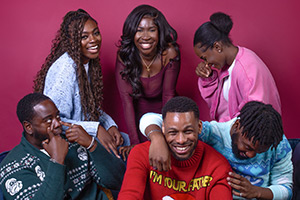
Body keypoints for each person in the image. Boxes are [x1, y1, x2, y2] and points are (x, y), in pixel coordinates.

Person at [140, 100, 293, 199]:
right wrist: (157, 138)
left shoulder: (277, 145)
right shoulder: (214, 133)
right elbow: (150, 118)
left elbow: (286, 188)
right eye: (247, 147)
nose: (251, 154)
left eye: (259, 151)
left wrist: (256, 192)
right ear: (237, 126)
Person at [33, 9, 128, 157]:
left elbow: (89, 108)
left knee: (123, 140)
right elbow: (56, 123)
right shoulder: (66, 70)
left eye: (95, 33)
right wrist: (96, 129)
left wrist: (110, 125)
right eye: (84, 36)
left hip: (81, 135)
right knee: (116, 154)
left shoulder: (86, 63)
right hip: (64, 142)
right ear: (71, 41)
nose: (93, 40)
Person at [0, 93, 126, 200]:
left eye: (57, 116)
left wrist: (92, 144)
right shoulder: (12, 167)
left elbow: (119, 181)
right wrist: (57, 161)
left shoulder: (75, 143)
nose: (57, 124)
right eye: (48, 120)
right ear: (28, 127)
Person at [118, 96, 232, 200]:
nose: (181, 140)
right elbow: (129, 196)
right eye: (173, 132)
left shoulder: (218, 166)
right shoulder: (141, 154)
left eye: (188, 131)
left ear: (199, 127)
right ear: (163, 128)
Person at [193, 12, 281, 122]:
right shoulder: (228, 67)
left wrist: (219, 129)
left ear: (217, 47)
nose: (207, 64)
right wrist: (209, 78)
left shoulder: (247, 68)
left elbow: (254, 117)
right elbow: (220, 107)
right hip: (234, 134)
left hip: (256, 136)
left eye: (205, 58)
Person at [115, 4, 180, 144]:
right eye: (139, 31)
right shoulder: (124, 56)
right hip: (137, 119)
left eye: (151, 30)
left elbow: (168, 94)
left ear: (159, 32)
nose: (145, 37)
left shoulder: (169, 53)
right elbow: (127, 101)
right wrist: (134, 142)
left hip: (165, 114)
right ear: (132, 33)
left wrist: (166, 133)